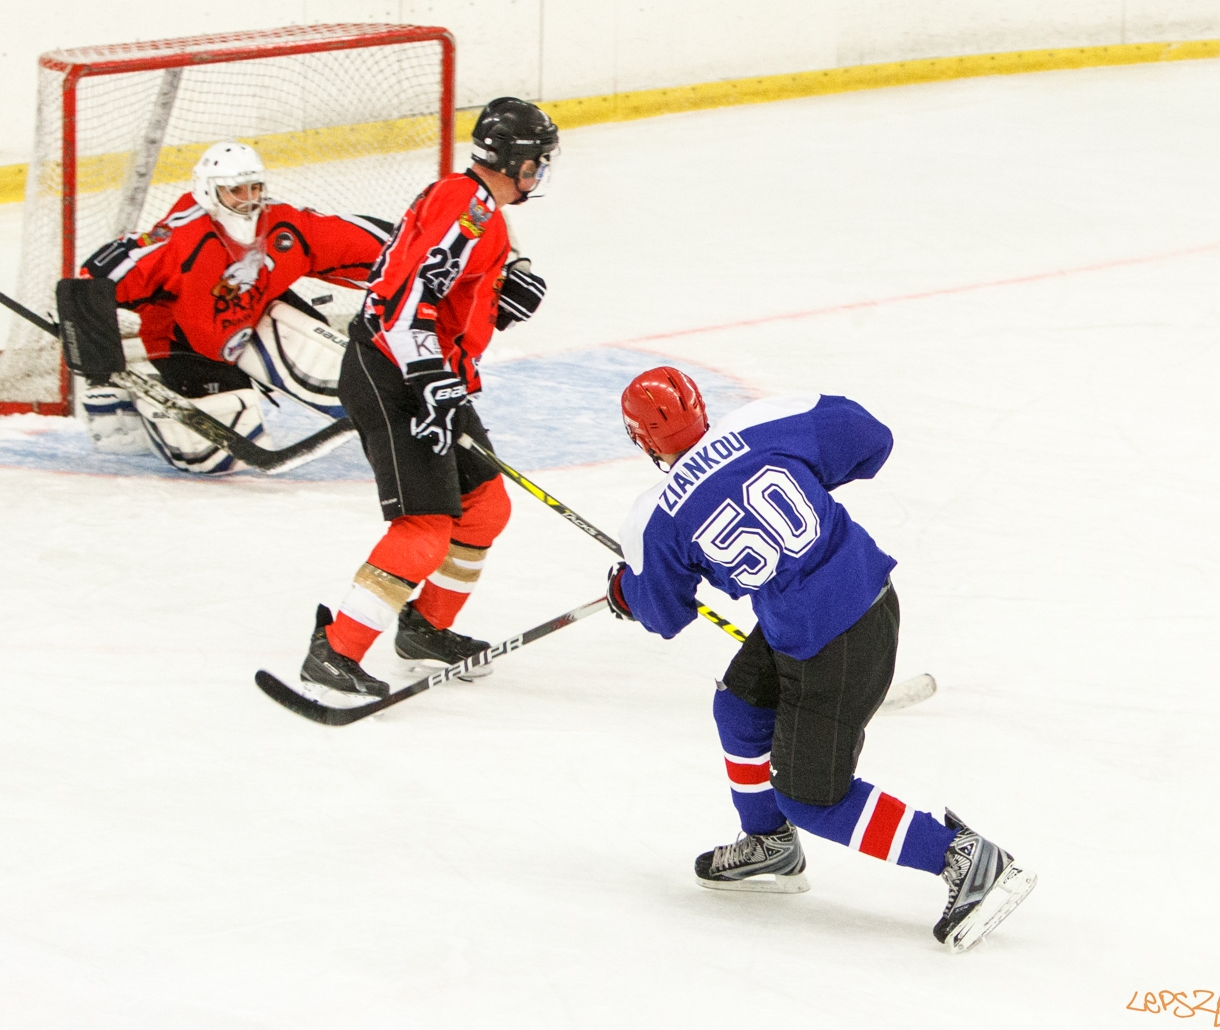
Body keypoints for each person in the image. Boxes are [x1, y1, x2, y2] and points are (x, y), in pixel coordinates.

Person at [604, 366, 1036, 953]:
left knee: (813, 797)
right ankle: (768, 845)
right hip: (852, 598)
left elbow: (663, 612)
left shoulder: (655, 517)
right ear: (700, 407)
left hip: (830, 643)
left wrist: (624, 591)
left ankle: (968, 861)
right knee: (739, 706)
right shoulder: (762, 424)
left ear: (643, 439)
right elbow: (868, 437)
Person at [300, 97, 560, 697]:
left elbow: (447, 299)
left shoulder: (478, 210)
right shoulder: (465, 208)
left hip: (425, 375)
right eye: (537, 163)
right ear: (518, 161)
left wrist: (497, 301)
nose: (539, 175)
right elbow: (404, 303)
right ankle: (336, 651)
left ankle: (424, 630)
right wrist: (427, 384)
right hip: (392, 375)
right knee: (426, 529)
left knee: (487, 505)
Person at [67, 140, 391, 473]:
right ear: (209, 192)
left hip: (254, 319)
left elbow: (376, 248)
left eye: (255, 188)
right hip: (188, 345)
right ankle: (134, 407)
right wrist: (99, 373)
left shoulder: (282, 225)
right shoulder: (176, 241)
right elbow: (91, 282)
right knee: (216, 460)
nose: (249, 200)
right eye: (236, 190)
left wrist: (431, 262)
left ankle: (386, 407)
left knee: (340, 365)